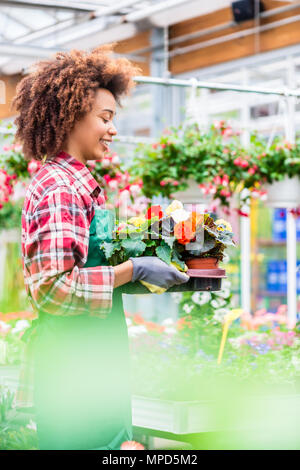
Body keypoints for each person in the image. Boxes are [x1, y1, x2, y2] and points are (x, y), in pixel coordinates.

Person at [11, 44, 190, 450]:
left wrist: (150, 265)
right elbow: (53, 290)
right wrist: (135, 270)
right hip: (76, 377)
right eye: (104, 118)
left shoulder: (79, 187)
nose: (113, 130)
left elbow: (88, 271)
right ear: (70, 116)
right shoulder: (60, 189)